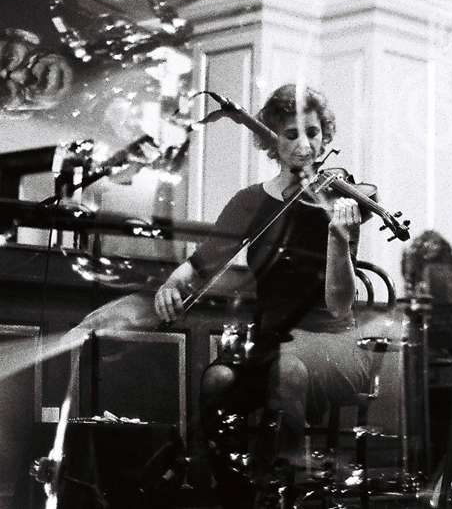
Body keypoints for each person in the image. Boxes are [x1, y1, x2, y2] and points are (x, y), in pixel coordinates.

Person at [153, 84, 376, 509]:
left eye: (313, 133)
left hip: (333, 344)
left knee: (288, 370)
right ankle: (237, 496)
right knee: (217, 380)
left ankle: (283, 490)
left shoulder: (341, 201)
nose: (304, 145)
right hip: (272, 342)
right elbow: (201, 263)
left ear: (325, 136)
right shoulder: (249, 202)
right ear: (271, 140)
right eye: (291, 134)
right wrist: (170, 284)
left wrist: (338, 238)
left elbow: (339, 304)